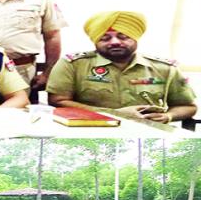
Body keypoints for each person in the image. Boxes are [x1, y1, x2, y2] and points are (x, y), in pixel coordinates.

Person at [47, 11, 197, 122]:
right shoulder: (73, 64)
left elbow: (188, 106)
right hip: (90, 128)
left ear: (135, 37)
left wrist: (168, 116)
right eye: (105, 38)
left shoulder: (165, 68)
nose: (115, 42)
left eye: (123, 36)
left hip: (149, 132)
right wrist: (114, 113)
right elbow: (57, 101)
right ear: (95, 41)